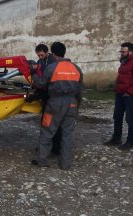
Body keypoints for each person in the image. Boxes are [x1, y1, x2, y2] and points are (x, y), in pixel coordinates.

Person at [30, 42, 83, 170]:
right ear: (64, 52)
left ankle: (42, 161)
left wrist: (34, 74)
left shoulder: (52, 68)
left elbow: (41, 84)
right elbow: (80, 90)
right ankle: (65, 164)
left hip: (55, 103)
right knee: (67, 135)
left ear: (53, 54)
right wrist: (76, 105)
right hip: (72, 104)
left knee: (47, 132)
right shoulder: (76, 68)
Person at [104, 42, 133, 150]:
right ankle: (116, 138)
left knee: (130, 118)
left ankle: (130, 141)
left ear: (131, 51)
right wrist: (117, 89)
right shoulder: (124, 62)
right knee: (117, 117)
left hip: (130, 96)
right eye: (121, 51)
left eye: (124, 51)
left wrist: (130, 92)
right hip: (120, 94)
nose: (121, 53)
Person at [26, 43, 61, 155]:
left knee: (50, 124)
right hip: (47, 96)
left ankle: (53, 148)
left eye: (41, 55)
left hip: (51, 96)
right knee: (47, 123)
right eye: (38, 55)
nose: (40, 57)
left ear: (47, 52)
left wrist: (35, 95)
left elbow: (44, 83)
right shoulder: (41, 62)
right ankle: (47, 147)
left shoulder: (52, 63)